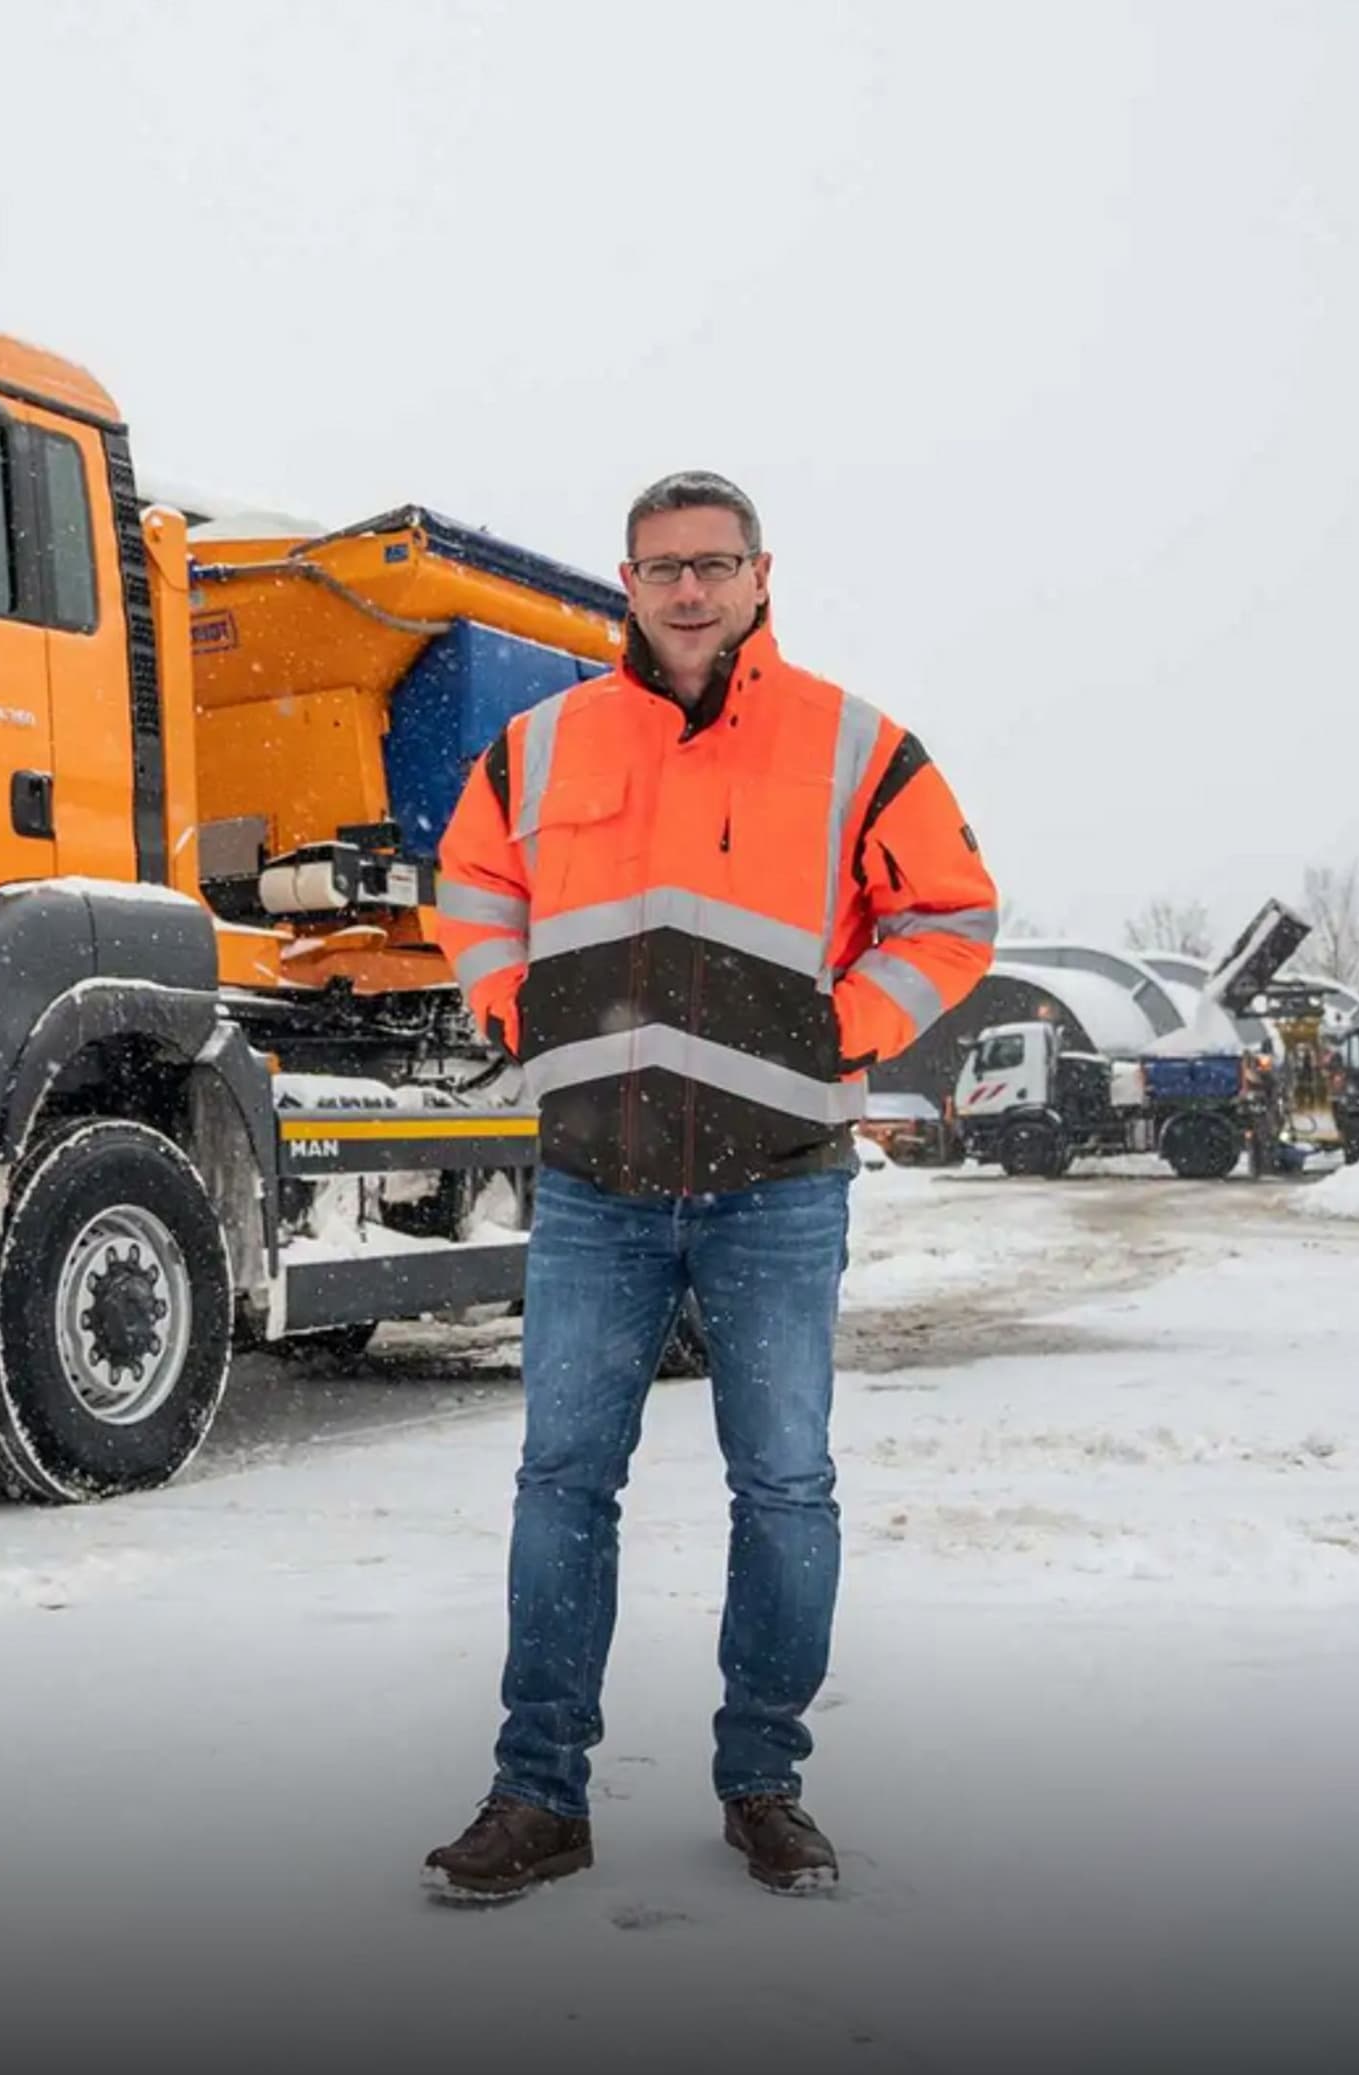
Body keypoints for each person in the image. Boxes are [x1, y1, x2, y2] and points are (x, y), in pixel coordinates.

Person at [420, 472, 998, 1903]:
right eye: (664, 566)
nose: (689, 589)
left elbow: (953, 913)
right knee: (564, 1482)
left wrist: (844, 1027)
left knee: (785, 1486)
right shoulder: (543, 742)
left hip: (780, 1180)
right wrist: (515, 1015)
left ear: (759, 575)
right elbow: (471, 891)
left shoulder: (856, 745)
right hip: (598, 1181)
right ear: (627, 579)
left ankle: (766, 1783)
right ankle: (538, 1793)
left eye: (714, 563)